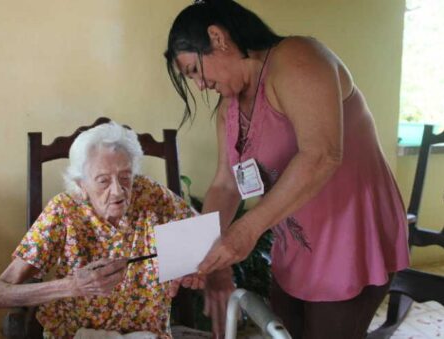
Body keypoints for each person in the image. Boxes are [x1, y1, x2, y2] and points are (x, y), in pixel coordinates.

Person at [164, 1, 409, 338]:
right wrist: (200, 258)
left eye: (193, 70)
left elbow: (322, 155)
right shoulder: (229, 106)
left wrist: (245, 231)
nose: (199, 85)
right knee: (283, 331)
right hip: (295, 244)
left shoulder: (296, 58)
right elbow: (226, 185)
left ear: (217, 38)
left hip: (348, 237)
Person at [0, 121, 201, 339]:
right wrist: (72, 286)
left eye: (125, 177)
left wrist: (193, 264)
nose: (118, 191)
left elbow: (201, 233)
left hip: (147, 334)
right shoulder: (63, 211)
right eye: (103, 181)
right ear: (81, 184)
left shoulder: (149, 193)